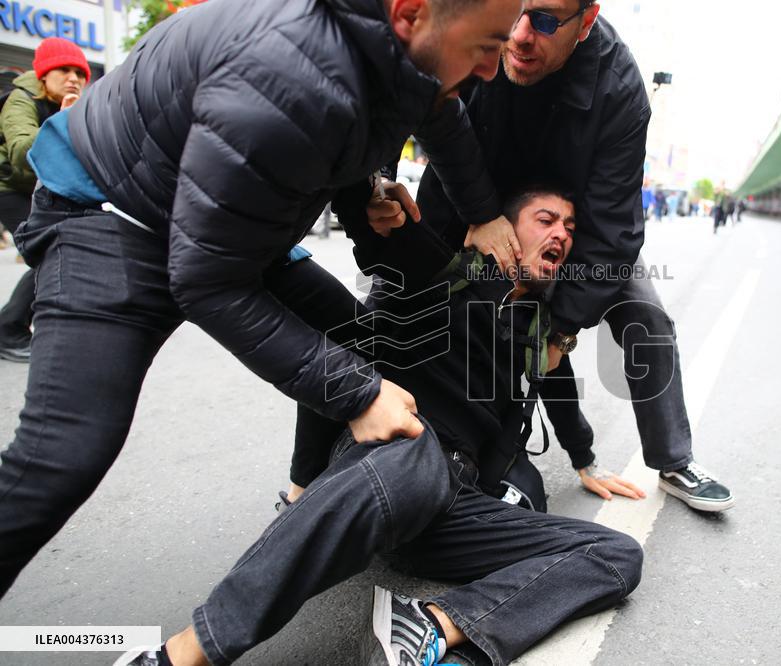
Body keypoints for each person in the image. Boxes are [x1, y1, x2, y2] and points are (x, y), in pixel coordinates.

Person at [0, 0, 523, 598]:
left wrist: (472, 214)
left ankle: (303, 490)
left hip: (221, 220)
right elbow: (206, 281)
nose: (490, 69)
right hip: (114, 216)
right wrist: (360, 396)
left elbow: (439, 116)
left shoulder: (398, 49)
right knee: (64, 455)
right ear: (409, 14)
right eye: (486, 45)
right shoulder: (287, 77)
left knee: (356, 340)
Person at [121, 189, 643, 666]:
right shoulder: (448, 274)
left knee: (618, 554)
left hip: (455, 505)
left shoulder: (537, 332)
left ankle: (435, 623)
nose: (561, 235)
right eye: (546, 220)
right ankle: (182, 655)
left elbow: (563, 402)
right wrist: (368, 196)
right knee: (414, 456)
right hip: (403, 452)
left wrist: (585, 461)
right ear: (502, 231)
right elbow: (381, 233)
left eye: (570, 230)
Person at [285, 0, 734, 514]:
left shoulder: (621, 89)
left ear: (585, 23)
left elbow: (614, 224)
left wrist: (559, 330)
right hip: (463, 193)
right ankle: (311, 474)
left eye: (544, 21)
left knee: (640, 310)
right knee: (382, 313)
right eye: (514, 12)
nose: (519, 36)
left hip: (553, 216)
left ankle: (674, 457)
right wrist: (377, 179)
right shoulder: (481, 21)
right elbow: (407, 83)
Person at [0, 37, 89, 362]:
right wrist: (62, 123)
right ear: (43, 75)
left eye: (79, 73)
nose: (73, 79)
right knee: (47, 253)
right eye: (64, 70)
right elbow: (23, 152)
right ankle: (9, 329)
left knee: (71, 249)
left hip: (45, 189)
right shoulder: (20, 100)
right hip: (8, 186)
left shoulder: (72, 105)